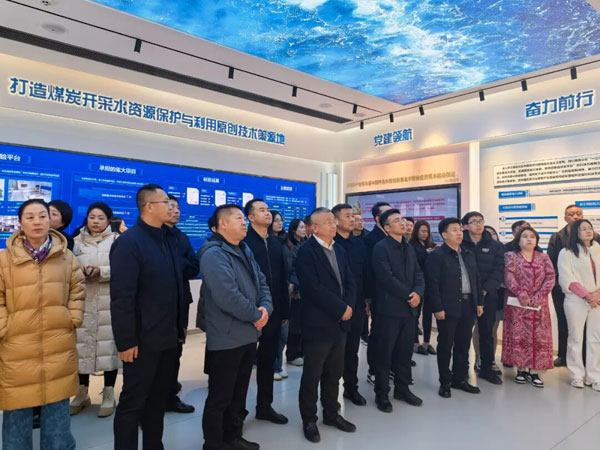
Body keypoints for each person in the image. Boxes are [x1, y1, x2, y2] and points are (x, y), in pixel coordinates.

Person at [0, 199, 85, 450]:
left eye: (42, 216)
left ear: (50, 221)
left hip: (58, 344)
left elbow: (77, 290)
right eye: (30, 217)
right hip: (16, 346)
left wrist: (72, 319)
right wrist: (5, 328)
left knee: (57, 410)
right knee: (17, 411)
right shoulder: (4, 259)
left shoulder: (66, 257)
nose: (37, 222)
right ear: (20, 223)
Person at [110, 184, 186, 450]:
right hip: (141, 341)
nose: (171, 206)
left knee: (157, 401)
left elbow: (177, 287)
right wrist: (126, 341)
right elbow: (122, 297)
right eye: (165, 202)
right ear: (149, 207)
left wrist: (179, 328)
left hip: (168, 337)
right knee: (133, 403)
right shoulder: (129, 242)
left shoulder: (169, 238)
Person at [199, 204, 273, 450]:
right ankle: (214, 443)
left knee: (238, 393)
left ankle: (232, 437)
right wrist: (256, 315)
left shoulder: (244, 249)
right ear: (222, 224)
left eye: (244, 218)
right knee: (221, 396)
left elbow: (262, 282)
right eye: (239, 218)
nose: (244, 222)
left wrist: (266, 308)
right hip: (227, 337)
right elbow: (227, 296)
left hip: (249, 334)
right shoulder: (214, 255)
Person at [296, 207, 357, 443]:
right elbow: (312, 288)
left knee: (334, 373)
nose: (334, 225)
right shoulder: (306, 252)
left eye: (334, 221)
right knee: (312, 375)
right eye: (328, 222)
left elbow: (350, 281)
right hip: (318, 323)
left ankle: (332, 414)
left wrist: (348, 306)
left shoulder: (339, 249)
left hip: (340, 323)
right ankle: (309, 420)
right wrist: (340, 308)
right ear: (315, 227)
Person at [372, 209, 424, 413]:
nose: (402, 223)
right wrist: (409, 295)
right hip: (389, 310)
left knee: (404, 353)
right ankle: (382, 394)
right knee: (384, 354)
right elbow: (386, 278)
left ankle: (402, 389)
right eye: (396, 220)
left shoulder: (408, 247)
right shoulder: (380, 248)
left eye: (402, 219)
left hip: (409, 310)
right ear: (387, 228)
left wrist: (418, 293)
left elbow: (418, 274)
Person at [70, 202, 120, 418]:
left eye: (101, 218)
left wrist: (103, 272)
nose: (96, 221)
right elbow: (67, 269)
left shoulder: (117, 241)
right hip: (83, 301)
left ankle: (109, 394)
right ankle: (82, 393)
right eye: (92, 217)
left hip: (109, 302)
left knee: (108, 348)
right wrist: (80, 272)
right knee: (81, 349)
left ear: (108, 220)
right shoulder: (75, 242)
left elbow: (125, 269)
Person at [425, 217, 484, 398]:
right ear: (444, 235)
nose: (459, 233)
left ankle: (460, 379)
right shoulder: (436, 256)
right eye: (454, 230)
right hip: (447, 306)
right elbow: (432, 284)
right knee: (445, 345)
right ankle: (445, 382)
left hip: (468, 305)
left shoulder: (468, 253)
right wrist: (437, 308)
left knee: (463, 345)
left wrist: (479, 302)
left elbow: (476, 279)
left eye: (460, 229)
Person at [243, 199, 290, 424]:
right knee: (243, 363)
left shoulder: (276, 243)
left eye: (268, 209)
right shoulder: (244, 242)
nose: (268, 213)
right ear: (250, 217)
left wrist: (284, 311)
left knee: (268, 359)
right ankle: (236, 413)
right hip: (248, 312)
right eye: (261, 210)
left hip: (273, 310)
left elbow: (282, 279)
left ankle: (264, 406)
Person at [548, 205, 600, 367]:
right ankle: (564, 356)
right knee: (567, 326)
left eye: (579, 213)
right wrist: (565, 286)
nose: (575, 216)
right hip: (565, 291)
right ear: (565, 218)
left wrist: (594, 294)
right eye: (571, 214)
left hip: (594, 295)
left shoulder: (596, 241)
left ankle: (589, 364)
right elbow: (552, 265)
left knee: (593, 333)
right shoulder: (558, 238)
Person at [503, 226, 555, 387]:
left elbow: (551, 277)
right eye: (525, 236)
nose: (529, 239)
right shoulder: (511, 256)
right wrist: (521, 294)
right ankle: (521, 370)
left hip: (539, 304)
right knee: (519, 335)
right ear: (518, 240)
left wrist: (539, 296)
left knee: (539, 336)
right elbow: (508, 277)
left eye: (532, 236)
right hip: (518, 303)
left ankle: (535, 372)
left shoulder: (544, 257)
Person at [461, 212, 505, 385]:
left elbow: (499, 270)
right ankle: (462, 370)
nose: (478, 224)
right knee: (463, 334)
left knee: (487, 333)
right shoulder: (460, 243)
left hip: (488, 295)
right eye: (474, 222)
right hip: (465, 296)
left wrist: (486, 289)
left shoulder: (495, 245)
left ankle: (487, 368)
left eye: (481, 221)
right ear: (465, 226)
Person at [164, 195, 199, 414]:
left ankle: (170, 395)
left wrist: (173, 262)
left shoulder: (182, 237)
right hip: (158, 305)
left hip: (180, 301)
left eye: (177, 207)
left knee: (175, 350)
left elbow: (194, 266)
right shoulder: (151, 237)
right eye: (170, 206)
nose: (176, 211)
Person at [332, 203, 368, 406]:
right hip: (336, 307)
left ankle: (351, 388)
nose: (352, 219)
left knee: (352, 351)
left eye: (353, 216)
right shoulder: (330, 244)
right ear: (335, 221)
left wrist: (366, 300)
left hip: (357, 305)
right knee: (334, 353)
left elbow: (364, 274)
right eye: (347, 216)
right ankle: (330, 395)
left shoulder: (359, 244)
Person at [557, 219, 600, 391]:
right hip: (576, 300)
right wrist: (587, 295)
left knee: (595, 339)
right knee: (575, 338)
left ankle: (594, 376)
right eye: (583, 229)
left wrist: (596, 295)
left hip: (597, 300)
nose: (588, 231)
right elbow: (566, 277)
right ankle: (576, 375)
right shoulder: (566, 252)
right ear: (576, 232)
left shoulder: (598, 249)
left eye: (590, 228)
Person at [363, 201, 392, 384]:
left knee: (391, 335)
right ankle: (373, 370)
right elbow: (367, 271)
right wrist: (367, 297)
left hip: (395, 297)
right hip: (378, 294)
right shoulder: (370, 240)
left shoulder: (396, 238)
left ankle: (387, 368)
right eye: (387, 213)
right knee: (378, 333)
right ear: (377, 218)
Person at [411, 220, 437, 356]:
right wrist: (427, 254)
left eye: (427, 231)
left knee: (428, 313)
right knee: (416, 314)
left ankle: (426, 342)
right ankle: (415, 342)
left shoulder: (430, 245)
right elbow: (415, 264)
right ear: (416, 231)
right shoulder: (411, 246)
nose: (425, 234)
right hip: (417, 284)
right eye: (422, 231)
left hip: (430, 283)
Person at [285, 218, 307, 367]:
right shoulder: (288, 246)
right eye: (301, 227)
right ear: (293, 230)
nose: (304, 230)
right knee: (295, 324)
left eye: (305, 227)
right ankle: (292, 353)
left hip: (305, 290)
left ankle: (301, 352)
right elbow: (292, 268)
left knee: (303, 323)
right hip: (294, 291)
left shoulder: (305, 244)